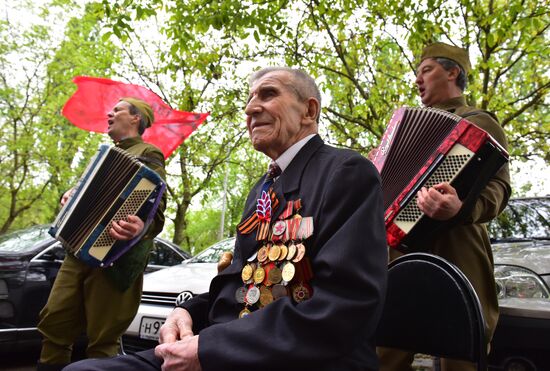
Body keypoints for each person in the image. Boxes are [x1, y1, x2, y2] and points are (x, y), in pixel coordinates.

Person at [64, 67, 388, 371]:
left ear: (309, 111)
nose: (250, 109)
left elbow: (344, 307)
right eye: (249, 100)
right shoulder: (263, 188)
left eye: (268, 94)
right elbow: (240, 284)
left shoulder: (346, 172)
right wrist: (187, 312)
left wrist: (208, 350)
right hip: (225, 348)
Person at [377, 42, 511, 371]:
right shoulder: (401, 128)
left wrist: (461, 208)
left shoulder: (479, 121)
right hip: (402, 252)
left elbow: (499, 189)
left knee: (461, 355)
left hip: (457, 248)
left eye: (426, 70)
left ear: (452, 72)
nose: (418, 80)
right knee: (384, 353)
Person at [37, 97, 167, 371]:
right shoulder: (104, 155)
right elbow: (84, 194)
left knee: (103, 339)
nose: (110, 113)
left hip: (115, 259)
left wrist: (139, 227)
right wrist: (68, 195)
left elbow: (156, 207)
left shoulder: (149, 153)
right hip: (77, 252)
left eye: (117, 109)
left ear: (135, 118)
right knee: (54, 325)